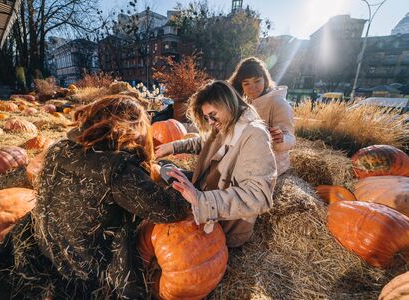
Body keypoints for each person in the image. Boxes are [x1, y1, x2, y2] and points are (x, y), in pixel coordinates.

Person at [30, 95, 189, 299]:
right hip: (91, 268)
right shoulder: (118, 170)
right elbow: (170, 210)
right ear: (133, 128)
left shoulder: (59, 149)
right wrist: (177, 176)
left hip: (50, 250)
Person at [155, 80, 277, 248]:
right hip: (204, 188)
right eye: (206, 118)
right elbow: (205, 142)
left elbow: (258, 196)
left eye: (212, 114)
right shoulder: (226, 123)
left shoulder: (255, 135)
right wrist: (173, 146)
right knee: (164, 169)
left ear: (228, 103)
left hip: (223, 220)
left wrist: (200, 200)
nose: (210, 122)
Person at [229, 57, 295, 175]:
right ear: (241, 85)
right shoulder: (246, 103)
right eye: (246, 83)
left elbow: (291, 138)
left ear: (265, 79)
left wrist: (281, 139)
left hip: (272, 167)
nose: (252, 87)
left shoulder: (278, 103)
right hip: (250, 162)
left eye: (257, 81)